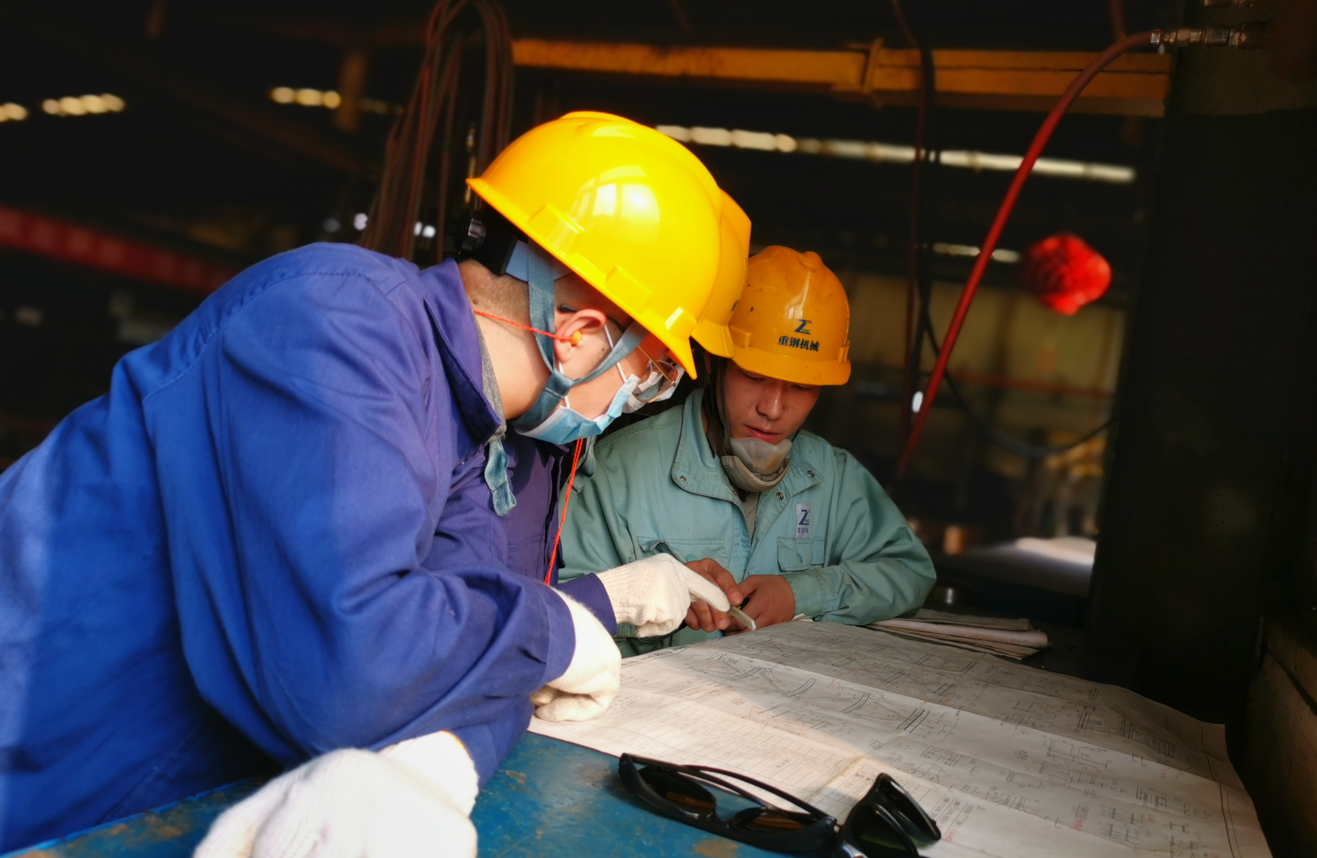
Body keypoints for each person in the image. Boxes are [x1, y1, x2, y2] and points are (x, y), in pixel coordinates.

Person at [0, 112, 747, 855]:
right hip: (42, 777)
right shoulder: (337, 321)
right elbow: (351, 673)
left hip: (137, 804)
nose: (640, 400)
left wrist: (447, 758)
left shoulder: (471, 429)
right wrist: (553, 633)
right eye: (653, 375)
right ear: (580, 335)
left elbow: (463, 650)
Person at [559, 246, 936, 656]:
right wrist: (649, 600)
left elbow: (909, 572)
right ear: (714, 360)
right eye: (755, 377)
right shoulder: (617, 471)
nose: (772, 409)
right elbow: (554, 613)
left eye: (801, 386)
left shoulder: (832, 476)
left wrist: (801, 593)